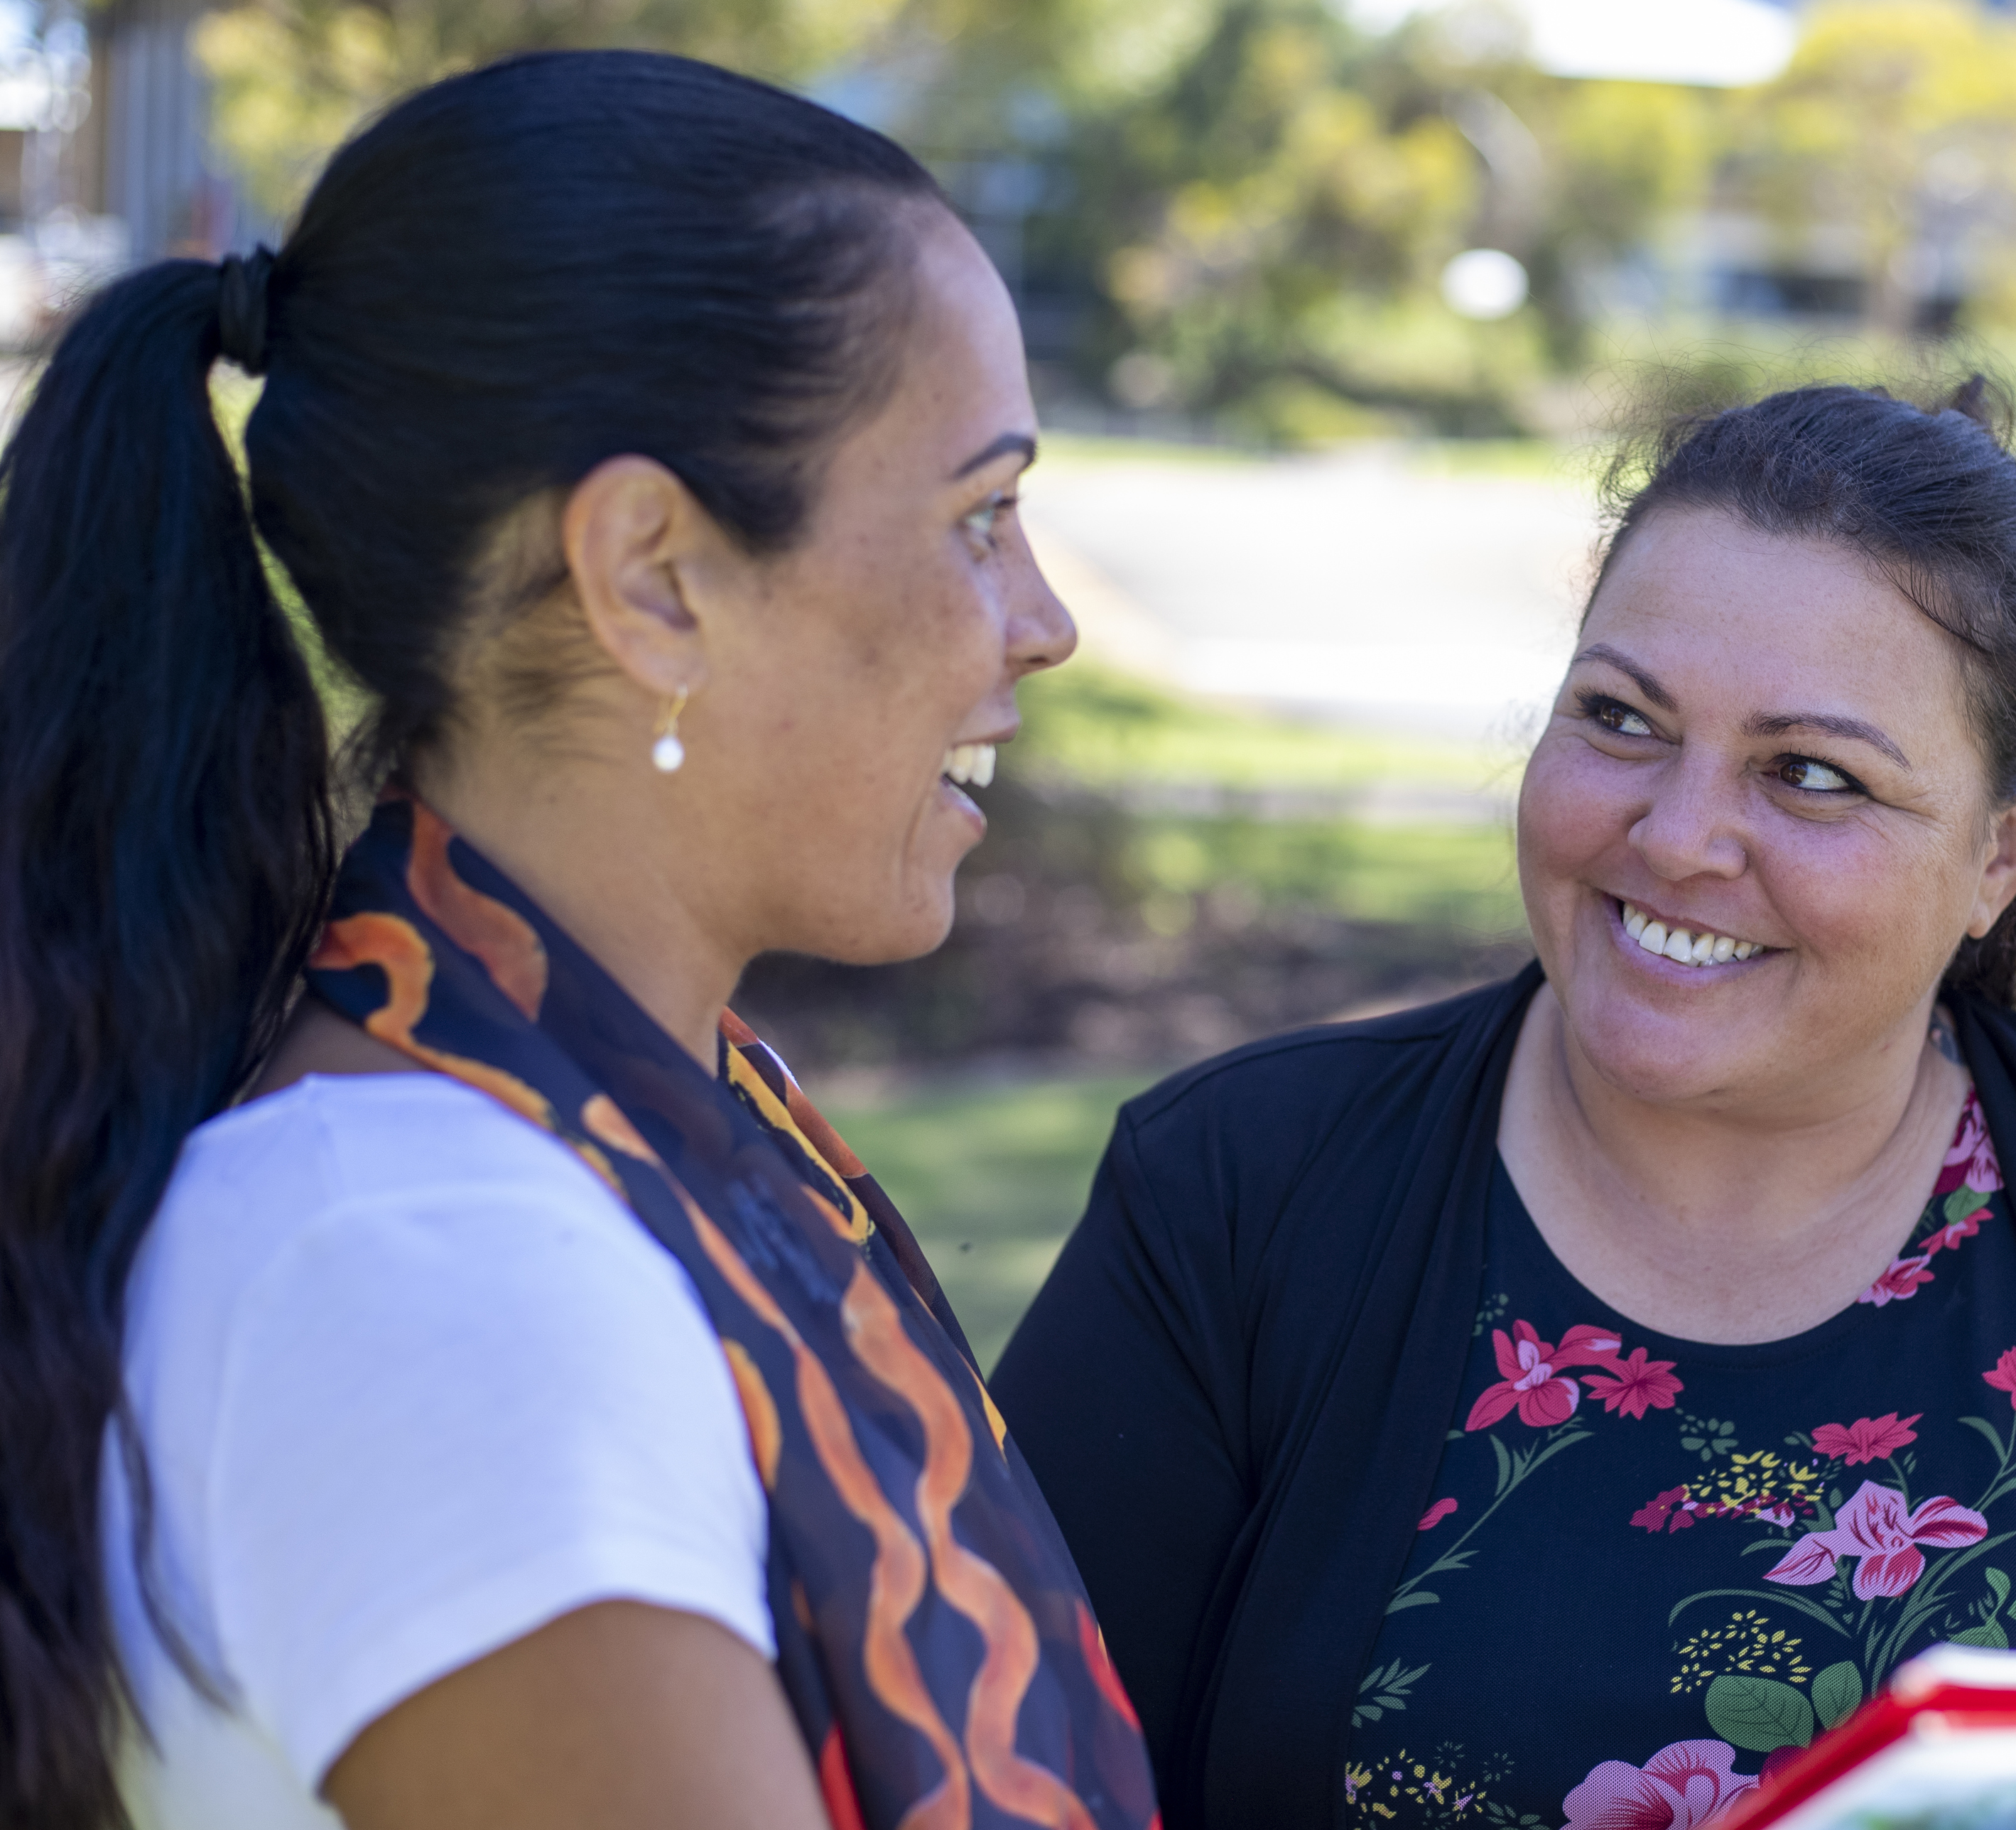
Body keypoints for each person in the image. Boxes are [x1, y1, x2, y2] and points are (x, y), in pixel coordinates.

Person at [991, 381, 2016, 1830]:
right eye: (1622, 718)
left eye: (1810, 774)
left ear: (2003, 850)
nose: (1679, 837)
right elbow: (990, 1773)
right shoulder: (1235, 1194)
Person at [0, 50, 1156, 1830]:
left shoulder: (633, 1136)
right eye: (978, 517)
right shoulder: (429, 1276)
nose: (1045, 620)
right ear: (652, 575)